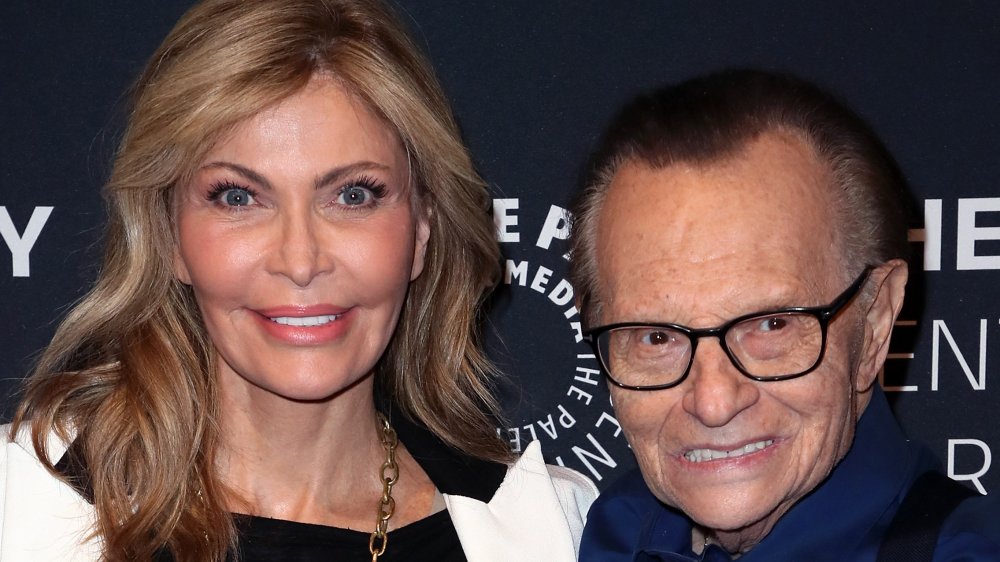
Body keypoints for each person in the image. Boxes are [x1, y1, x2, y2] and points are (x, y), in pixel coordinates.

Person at [0, 1, 596, 560]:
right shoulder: (22, 500)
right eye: (238, 197)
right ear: (169, 237)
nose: (301, 259)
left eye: (353, 195)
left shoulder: (550, 526)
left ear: (420, 230)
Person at [570, 69, 1000, 561]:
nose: (713, 403)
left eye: (772, 324)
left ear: (877, 320)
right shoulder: (609, 530)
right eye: (655, 338)